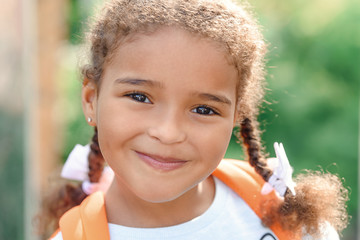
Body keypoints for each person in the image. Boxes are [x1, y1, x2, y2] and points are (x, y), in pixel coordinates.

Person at [39, 0, 349, 239]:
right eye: (139, 97)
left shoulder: (290, 221)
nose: (168, 132)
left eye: (203, 109)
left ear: (235, 117)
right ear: (91, 100)